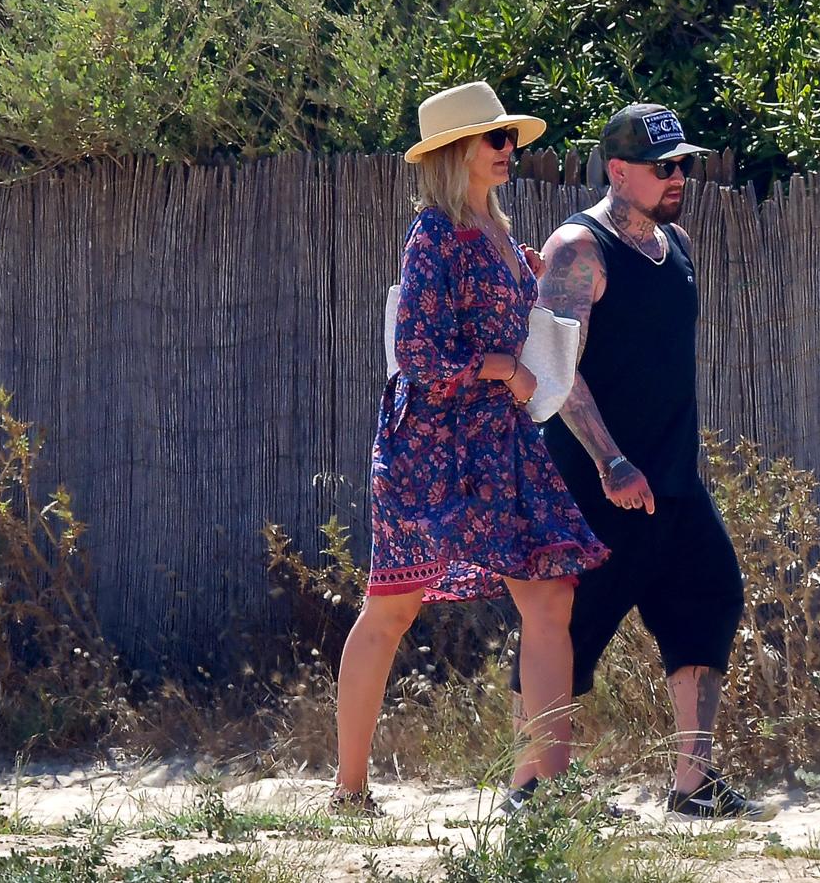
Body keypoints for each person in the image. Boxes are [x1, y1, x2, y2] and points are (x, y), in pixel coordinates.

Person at [331, 82, 608, 815]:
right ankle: (349, 789)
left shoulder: (500, 235)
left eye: (510, 137)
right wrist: (508, 369)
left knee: (551, 592)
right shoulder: (434, 233)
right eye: (494, 139)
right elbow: (416, 349)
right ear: (457, 152)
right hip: (431, 445)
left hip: (500, 438)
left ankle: (541, 790)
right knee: (392, 607)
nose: (508, 148)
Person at [507, 103, 775, 820]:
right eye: (663, 166)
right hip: (595, 482)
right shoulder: (578, 248)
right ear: (617, 170)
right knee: (568, 627)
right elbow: (554, 367)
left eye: (683, 163)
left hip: (673, 480)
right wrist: (611, 460)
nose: (678, 176)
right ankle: (530, 788)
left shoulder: (678, 243)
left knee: (711, 598)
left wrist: (654, 465)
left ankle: (692, 783)